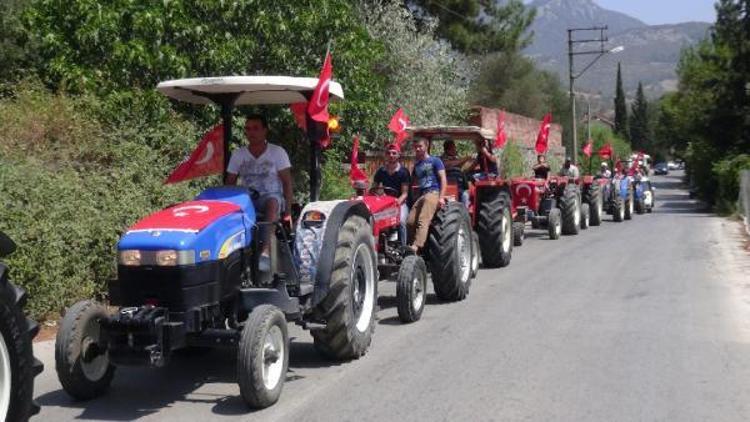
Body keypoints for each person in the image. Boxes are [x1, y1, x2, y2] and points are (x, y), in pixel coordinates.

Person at [225, 114, 293, 269]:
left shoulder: (277, 152)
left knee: (272, 202)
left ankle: (266, 250)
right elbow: (229, 183)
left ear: (265, 131)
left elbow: (287, 182)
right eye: (248, 129)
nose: (251, 132)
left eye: (256, 128)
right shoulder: (239, 154)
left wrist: (288, 212)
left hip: (271, 197)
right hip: (247, 199)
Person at [407, 137, 447, 254]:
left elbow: (443, 179)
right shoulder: (417, 164)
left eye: (420, 146)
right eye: (416, 147)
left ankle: (416, 246)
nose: (418, 149)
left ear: (426, 146)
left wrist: (441, 197)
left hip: (433, 193)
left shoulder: (435, 161)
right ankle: (412, 247)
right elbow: (412, 181)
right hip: (422, 194)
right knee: (409, 221)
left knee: (423, 219)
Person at [373, 143, 411, 245]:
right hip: (385, 202)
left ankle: (403, 248)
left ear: (398, 155)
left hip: (400, 203)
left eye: (394, 153)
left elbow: (405, 194)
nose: (391, 155)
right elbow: (374, 188)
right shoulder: (381, 171)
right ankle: (378, 245)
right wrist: (379, 196)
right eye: (389, 153)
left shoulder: (403, 172)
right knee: (375, 220)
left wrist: (396, 203)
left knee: (402, 221)